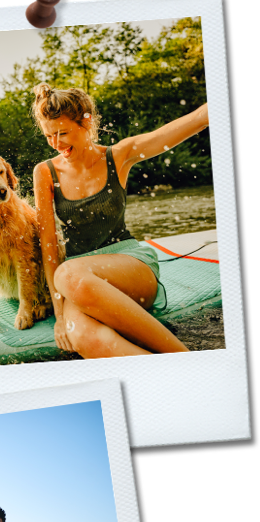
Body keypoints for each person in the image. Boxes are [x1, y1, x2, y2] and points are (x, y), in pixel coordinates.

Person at [32, 83, 210, 358]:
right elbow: (48, 243)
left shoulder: (118, 156)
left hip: (130, 267)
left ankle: (186, 360)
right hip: (78, 282)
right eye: (49, 136)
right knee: (82, 336)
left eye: (63, 133)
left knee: (67, 274)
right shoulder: (45, 172)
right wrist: (58, 314)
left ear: (86, 122)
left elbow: (193, 121)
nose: (56, 143)